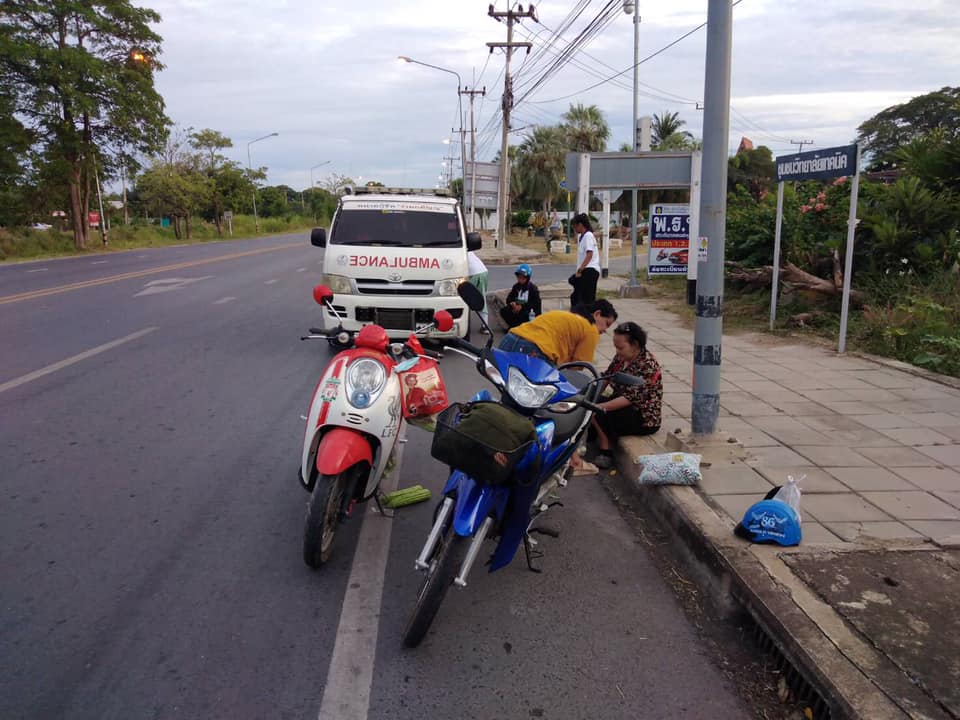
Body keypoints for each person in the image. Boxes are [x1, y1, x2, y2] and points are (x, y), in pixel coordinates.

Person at [591, 321, 663, 469]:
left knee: (597, 411)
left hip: (642, 416)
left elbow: (629, 398)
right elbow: (607, 377)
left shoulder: (648, 365)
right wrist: (592, 394)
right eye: (616, 347)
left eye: (621, 347)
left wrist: (597, 406)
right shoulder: (621, 358)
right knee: (589, 399)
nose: (617, 352)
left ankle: (606, 451)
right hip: (622, 405)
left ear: (635, 344)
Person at [498, 299, 618, 366]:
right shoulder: (591, 330)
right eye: (607, 323)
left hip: (509, 340)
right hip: (534, 350)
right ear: (597, 314)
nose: (605, 330)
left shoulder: (568, 316)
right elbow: (578, 365)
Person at [570, 213, 601, 308]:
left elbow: (589, 254)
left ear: (580, 225)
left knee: (586, 300)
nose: (574, 229)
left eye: (575, 226)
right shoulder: (582, 237)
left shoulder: (588, 236)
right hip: (585, 270)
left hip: (589, 270)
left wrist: (580, 270)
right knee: (575, 294)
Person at [499, 263, 542, 329]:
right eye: (519, 277)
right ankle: (514, 326)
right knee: (504, 311)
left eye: (523, 278)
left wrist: (522, 307)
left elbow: (535, 304)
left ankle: (523, 328)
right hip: (517, 309)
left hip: (529, 312)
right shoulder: (516, 287)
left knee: (524, 315)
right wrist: (512, 303)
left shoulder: (533, 289)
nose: (520, 279)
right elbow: (509, 298)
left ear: (527, 278)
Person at [466, 250, 490, 333]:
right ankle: (485, 326)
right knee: (480, 298)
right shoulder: (463, 246)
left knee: (464, 298)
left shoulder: (455, 249)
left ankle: (485, 326)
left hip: (475, 274)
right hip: (482, 271)